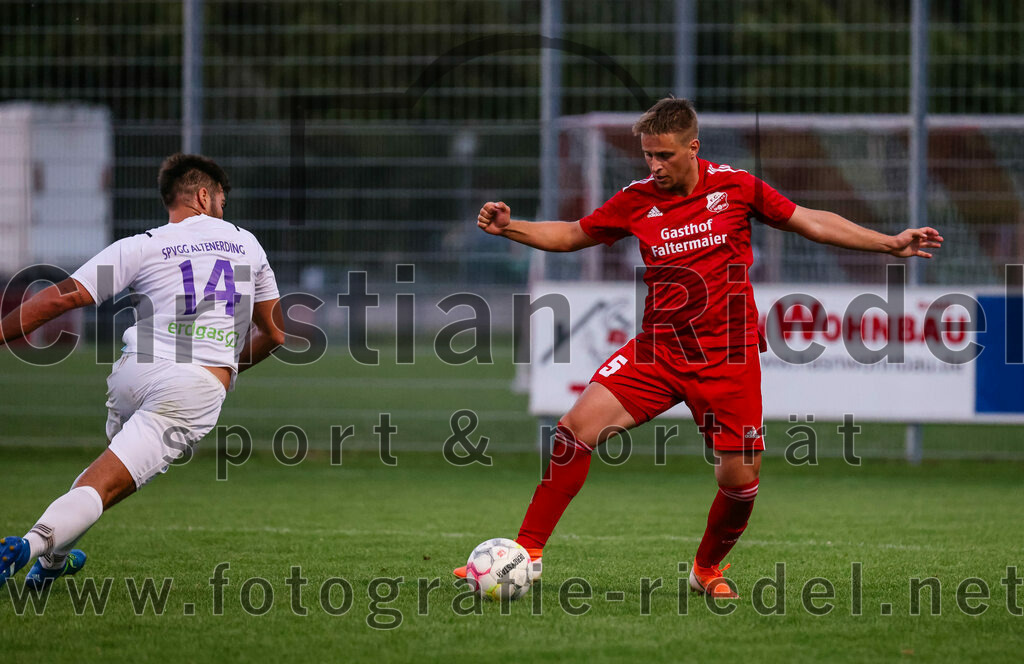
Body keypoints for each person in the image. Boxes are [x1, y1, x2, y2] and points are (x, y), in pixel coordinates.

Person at [453, 98, 943, 597]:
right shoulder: (637, 199)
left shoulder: (736, 187)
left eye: (664, 155)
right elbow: (574, 234)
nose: (654, 166)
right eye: (647, 155)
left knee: (739, 481)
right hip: (659, 352)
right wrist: (509, 228)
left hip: (729, 360)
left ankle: (706, 570)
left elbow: (809, 220)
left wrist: (888, 243)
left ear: (693, 147)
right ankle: (526, 554)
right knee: (574, 430)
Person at [0, 154, 285, 589]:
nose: (223, 211)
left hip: (133, 374)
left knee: (105, 473)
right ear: (205, 196)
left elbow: (58, 298)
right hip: (193, 389)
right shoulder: (248, 243)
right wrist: (224, 366)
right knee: (107, 485)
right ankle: (28, 547)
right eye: (222, 202)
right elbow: (276, 333)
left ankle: (53, 563)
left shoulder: (144, 243)